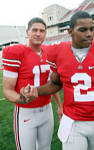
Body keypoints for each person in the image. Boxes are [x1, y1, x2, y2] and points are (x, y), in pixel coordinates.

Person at [21, 11, 94, 150]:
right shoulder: (58, 51)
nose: (89, 34)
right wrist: (35, 90)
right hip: (72, 121)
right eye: (83, 30)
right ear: (70, 31)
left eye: (92, 29)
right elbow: (55, 84)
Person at [2, 17, 62, 150]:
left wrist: (59, 106)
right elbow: (7, 90)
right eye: (34, 30)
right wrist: (22, 99)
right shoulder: (16, 53)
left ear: (46, 33)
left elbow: (52, 84)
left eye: (42, 30)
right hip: (25, 112)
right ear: (27, 32)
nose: (38, 33)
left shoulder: (49, 52)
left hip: (47, 110)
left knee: (45, 148)